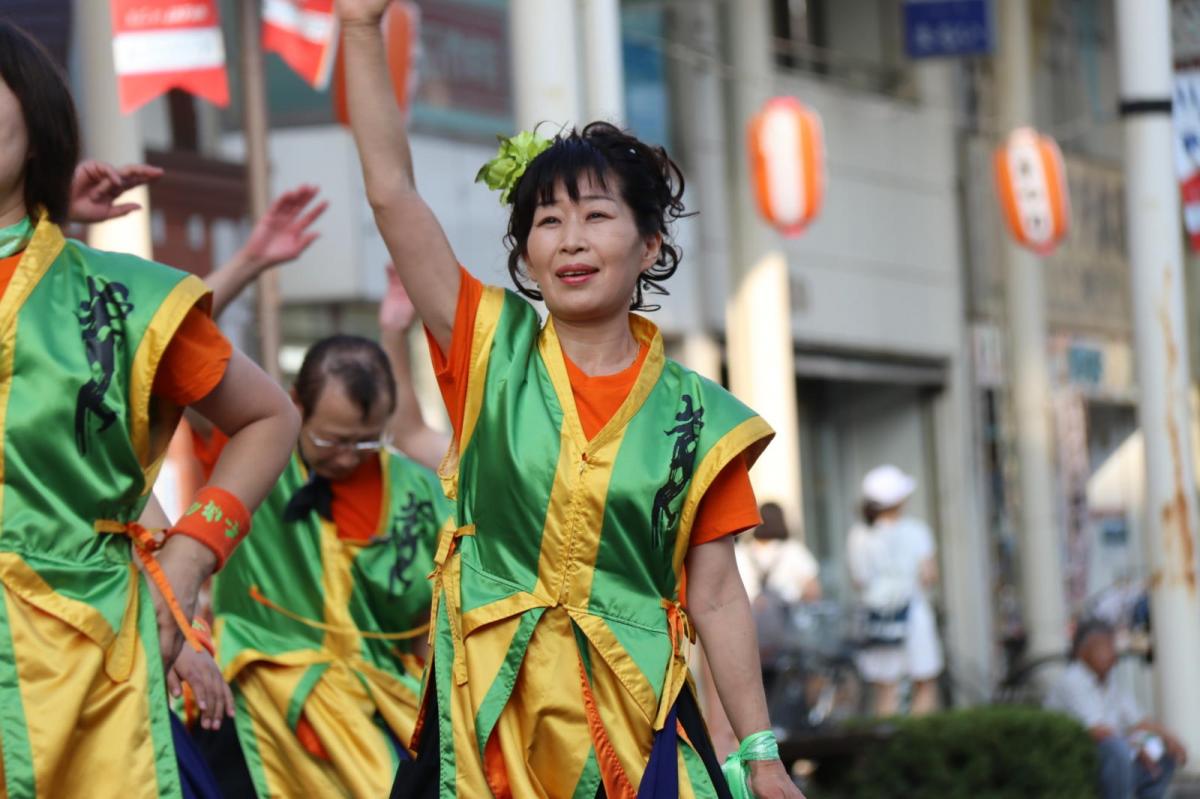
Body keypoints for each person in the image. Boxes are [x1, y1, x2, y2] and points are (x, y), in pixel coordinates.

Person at [337, 3, 805, 797]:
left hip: (635, 724)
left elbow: (718, 595)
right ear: (525, 251)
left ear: (649, 243)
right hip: (485, 721)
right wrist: (356, 29)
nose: (571, 238)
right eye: (547, 221)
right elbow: (391, 193)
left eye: (595, 215)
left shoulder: (700, 421)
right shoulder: (486, 346)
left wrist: (761, 757)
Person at [0, 21, 299, 798]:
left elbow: (269, 417)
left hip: (84, 666)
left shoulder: (123, 298)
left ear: (35, 121)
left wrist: (189, 557)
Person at [202, 271, 454, 797]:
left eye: (367, 444)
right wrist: (253, 259)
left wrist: (395, 333)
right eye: (333, 440)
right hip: (261, 703)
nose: (347, 457)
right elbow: (174, 341)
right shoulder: (251, 460)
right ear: (294, 404)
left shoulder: (415, 490)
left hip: (381, 702)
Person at [1045, 619, 1186, 799]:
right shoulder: (1072, 681)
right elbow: (1097, 732)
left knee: (1163, 749)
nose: (1112, 654)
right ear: (1082, 652)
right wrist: (1135, 747)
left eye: (1112, 647)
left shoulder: (1110, 682)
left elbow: (1138, 721)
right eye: (1104, 647)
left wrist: (1169, 738)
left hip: (1115, 755)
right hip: (1083, 758)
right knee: (1116, 748)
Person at [846, 464, 942, 716]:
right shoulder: (916, 530)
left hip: (877, 618)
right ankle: (917, 744)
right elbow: (929, 575)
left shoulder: (858, 534)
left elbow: (858, 580)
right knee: (924, 683)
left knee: (886, 689)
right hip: (913, 614)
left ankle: (888, 749)